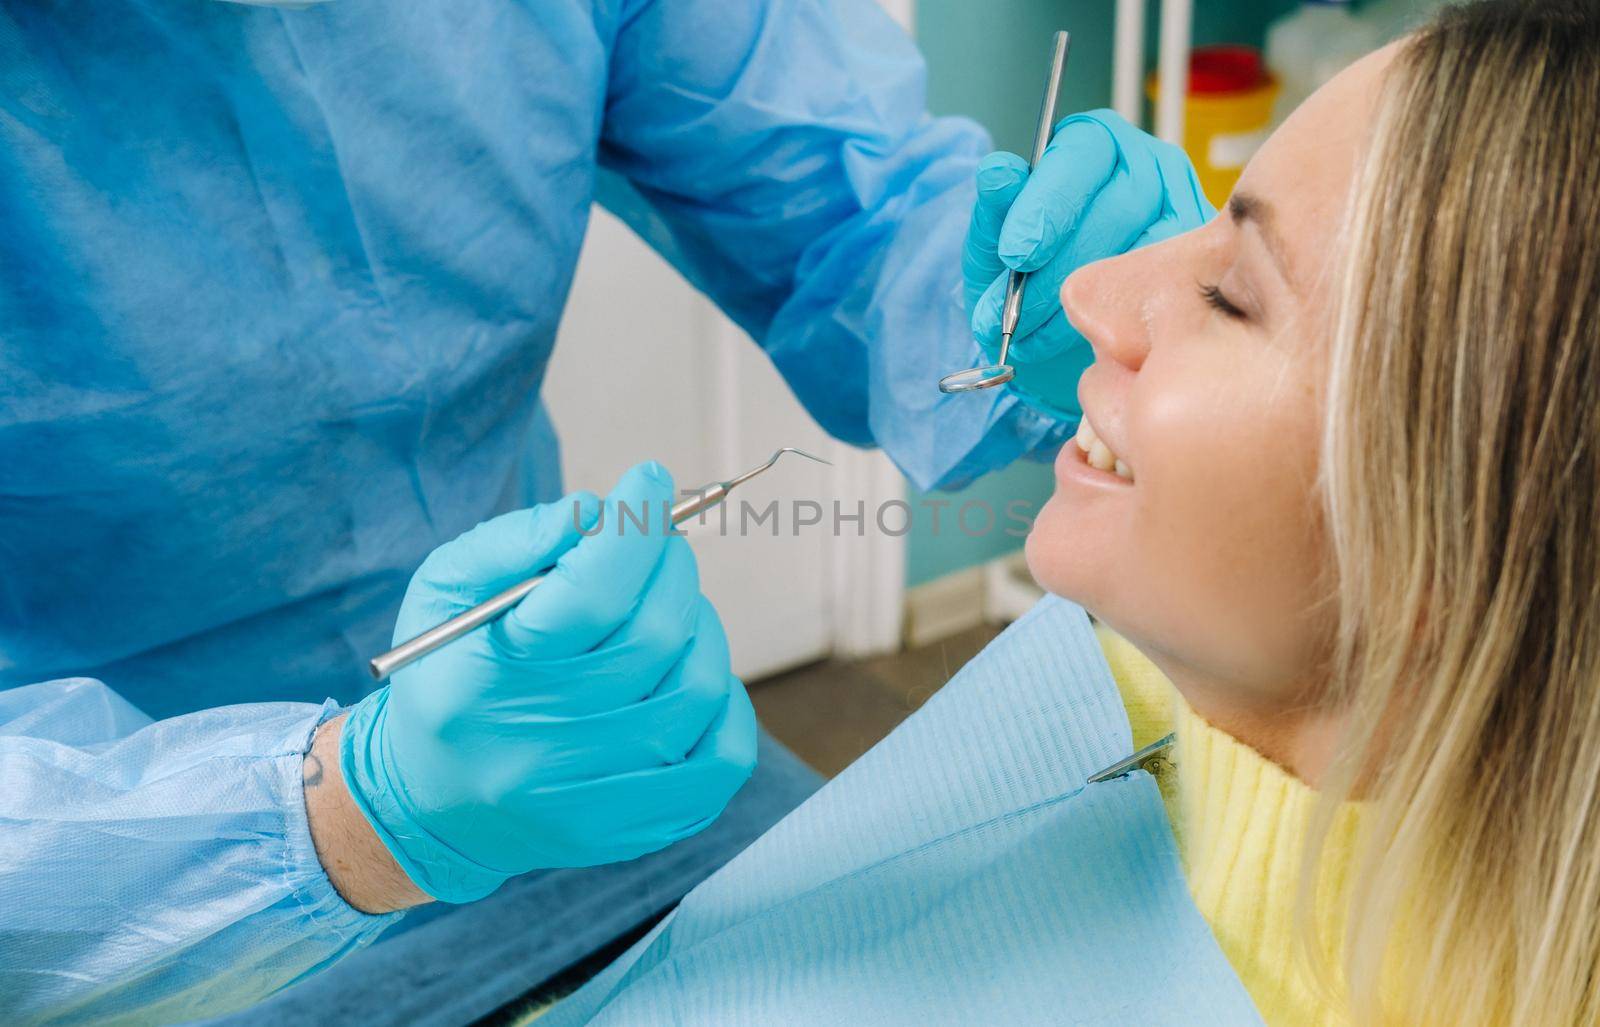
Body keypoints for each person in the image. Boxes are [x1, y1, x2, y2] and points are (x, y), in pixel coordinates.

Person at [0, 0, 1208, 1022]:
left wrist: (1016, 300)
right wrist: (348, 816)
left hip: (585, 741)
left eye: (1248, 292)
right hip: (110, 896)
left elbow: (857, 202)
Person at [520, 2, 1600, 1023]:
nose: (1092, 292)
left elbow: (835, 201)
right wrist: (344, 842)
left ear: (1439, 555)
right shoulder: (1139, 681)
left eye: (1231, 291)